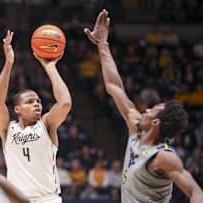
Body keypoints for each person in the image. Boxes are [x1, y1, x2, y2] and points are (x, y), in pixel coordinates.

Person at [84, 9, 203, 203]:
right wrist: (102, 44)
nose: (145, 110)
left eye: (151, 110)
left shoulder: (164, 157)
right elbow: (114, 86)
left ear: (156, 122)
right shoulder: (135, 127)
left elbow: (197, 192)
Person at [0, 30, 72, 203]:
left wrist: (50, 67)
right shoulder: (8, 130)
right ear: (17, 109)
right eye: (30, 102)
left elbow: (65, 103)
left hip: (47, 199)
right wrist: (8, 63)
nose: (37, 104)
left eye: (38, 101)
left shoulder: (46, 124)